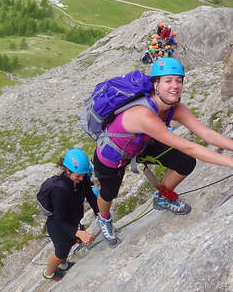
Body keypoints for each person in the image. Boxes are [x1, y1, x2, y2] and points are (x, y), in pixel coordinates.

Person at [92, 57, 233, 245]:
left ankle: (162, 197)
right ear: (156, 84)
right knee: (109, 192)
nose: (175, 86)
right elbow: (190, 147)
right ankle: (104, 218)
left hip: (141, 144)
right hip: (112, 154)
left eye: (179, 80)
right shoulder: (143, 115)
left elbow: (206, 133)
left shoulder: (175, 108)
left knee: (185, 163)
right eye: (168, 80)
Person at [43, 148, 99, 281]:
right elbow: (59, 220)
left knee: (68, 245)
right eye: (77, 176)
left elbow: (90, 195)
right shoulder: (59, 190)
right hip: (58, 227)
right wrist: (78, 232)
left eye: (83, 175)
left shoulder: (82, 177)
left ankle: (63, 266)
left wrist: (99, 212)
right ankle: (49, 273)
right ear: (67, 170)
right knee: (60, 253)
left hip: (71, 221)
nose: (81, 178)